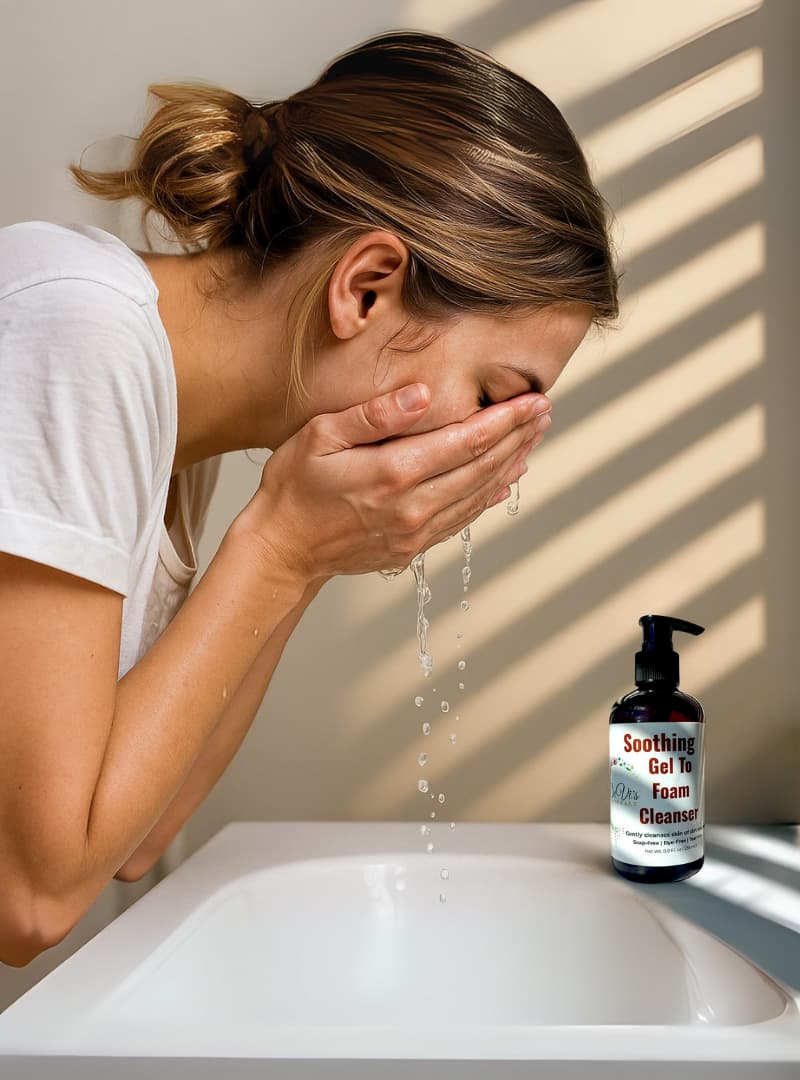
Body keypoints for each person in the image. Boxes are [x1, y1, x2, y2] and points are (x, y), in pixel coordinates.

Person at [0, 30, 620, 966]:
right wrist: (281, 551)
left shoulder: (171, 423)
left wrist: (312, 553)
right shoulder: (73, 334)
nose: (495, 447)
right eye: (495, 396)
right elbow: (31, 899)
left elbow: (132, 838)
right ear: (365, 289)